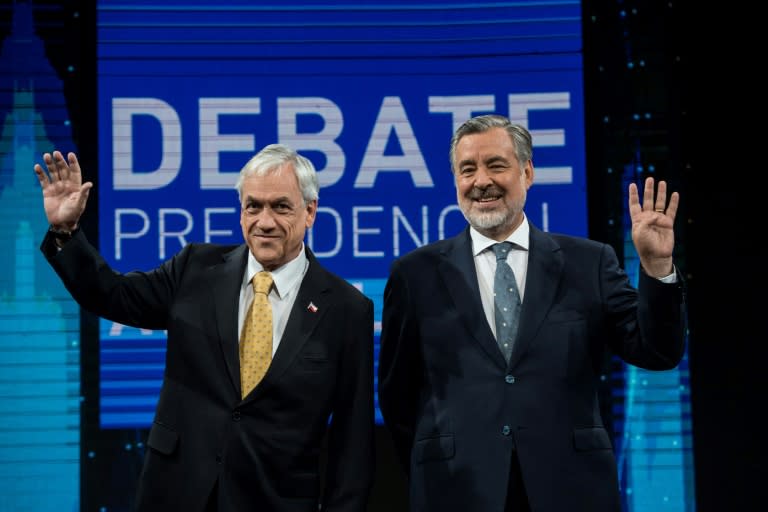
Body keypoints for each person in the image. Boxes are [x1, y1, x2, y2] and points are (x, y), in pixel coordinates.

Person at [34, 144, 375, 512]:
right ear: (241, 212)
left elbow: (351, 445)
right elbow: (113, 295)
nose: (265, 221)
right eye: (253, 206)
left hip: (274, 500)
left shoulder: (346, 309)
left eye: (280, 206)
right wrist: (66, 231)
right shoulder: (195, 269)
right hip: (176, 493)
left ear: (309, 211)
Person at [377, 114, 686, 512]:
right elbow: (397, 394)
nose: (481, 180)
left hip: (571, 488)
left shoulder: (588, 262)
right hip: (456, 490)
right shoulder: (414, 275)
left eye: (496, 165)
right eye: (467, 169)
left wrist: (657, 268)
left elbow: (657, 351)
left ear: (527, 172)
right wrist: (434, 460)